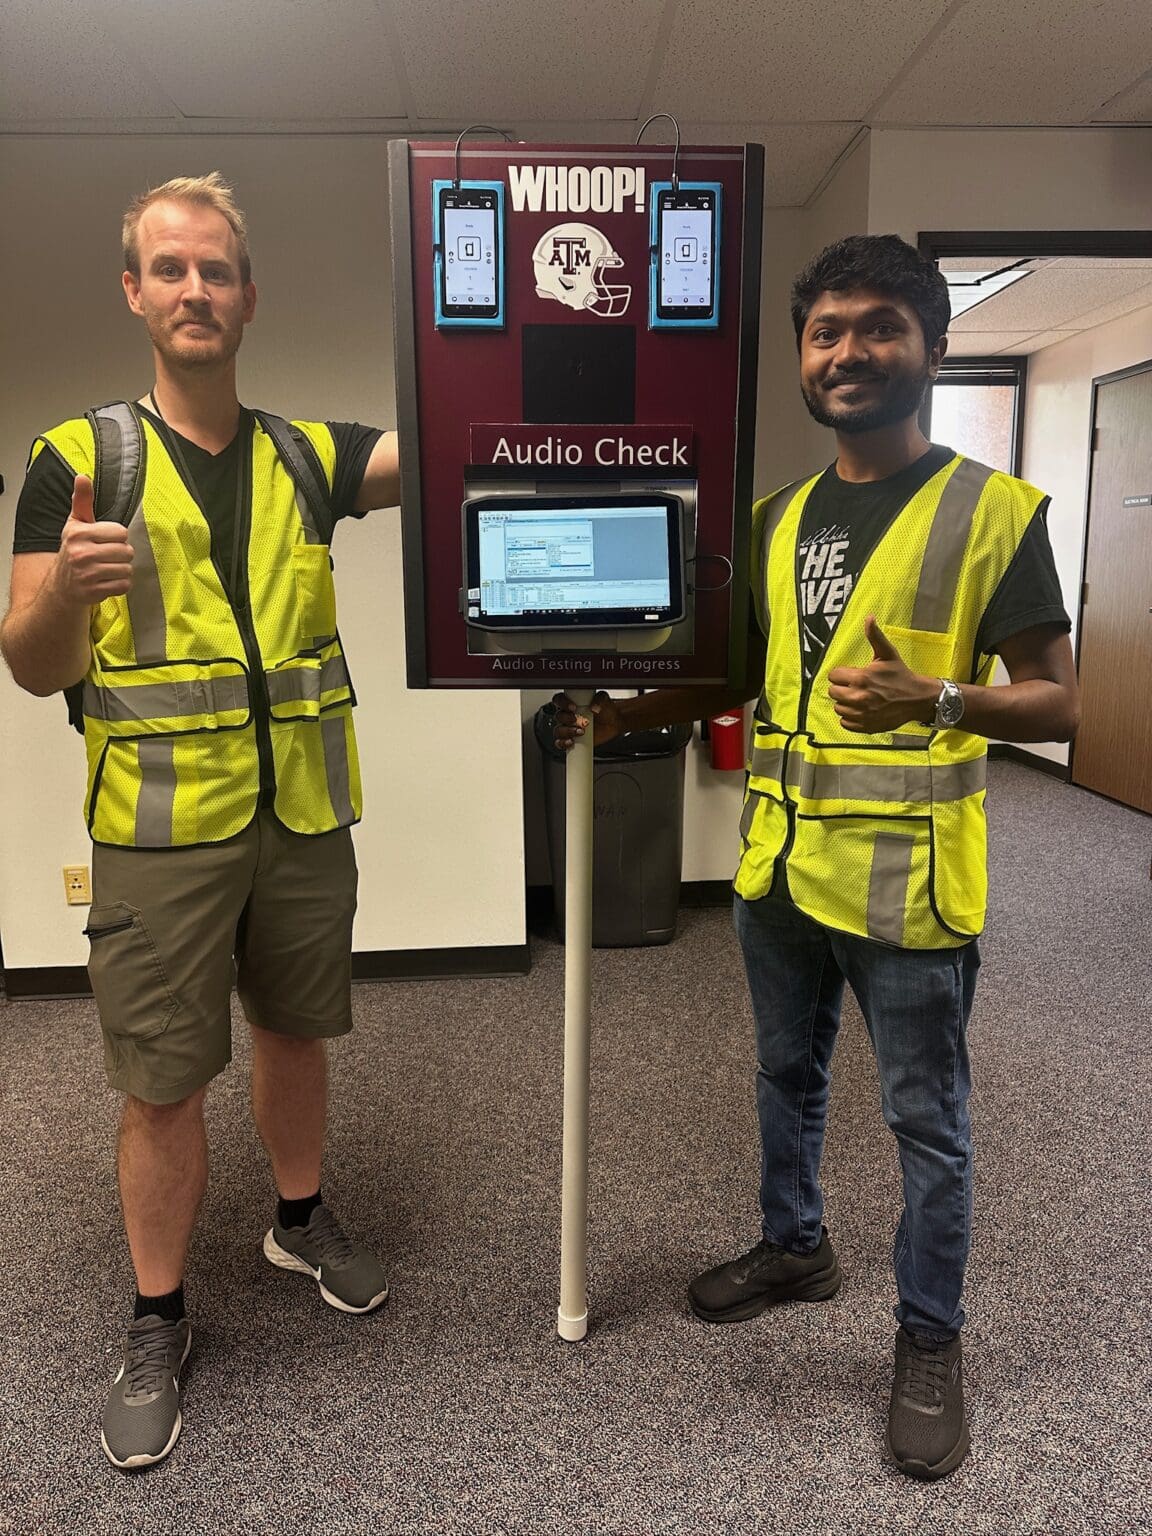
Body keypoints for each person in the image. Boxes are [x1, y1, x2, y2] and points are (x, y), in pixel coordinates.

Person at [553, 234, 1079, 1481]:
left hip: (908, 883)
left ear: (932, 347)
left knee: (925, 1122)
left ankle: (929, 1337)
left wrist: (939, 700)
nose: (850, 350)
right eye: (827, 331)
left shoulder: (991, 513)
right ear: (802, 357)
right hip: (780, 872)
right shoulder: (779, 518)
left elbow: (1058, 703)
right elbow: (738, 674)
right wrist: (622, 718)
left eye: (879, 326)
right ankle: (796, 1247)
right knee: (784, 1078)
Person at [2, 173, 402, 1470]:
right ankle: (158, 1316)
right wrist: (66, 588)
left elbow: (446, 446)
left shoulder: (306, 455)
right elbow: (32, 662)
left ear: (247, 295)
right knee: (163, 1080)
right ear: (134, 291)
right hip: (158, 831)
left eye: (214, 269)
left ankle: (298, 1216)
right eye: (168, 269)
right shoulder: (78, 461)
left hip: (300, 818)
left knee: (297, 1028)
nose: (193, 289)